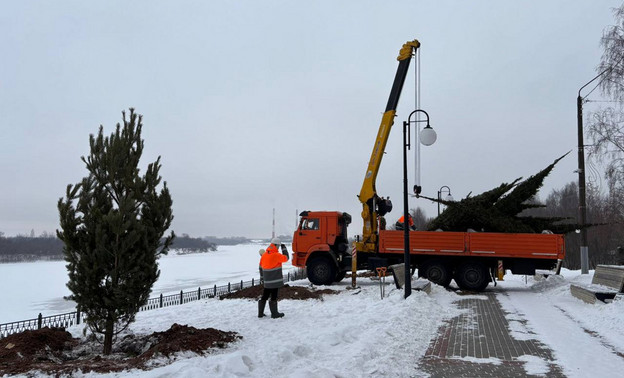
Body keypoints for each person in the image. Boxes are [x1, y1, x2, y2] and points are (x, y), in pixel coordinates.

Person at [258, 237, 289, 318]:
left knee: (265, 295)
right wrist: (284, 249)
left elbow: (260, 267)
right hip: (274, 280)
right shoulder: (277, 255)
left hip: (267, 281)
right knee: (274, 296)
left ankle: (260, 313)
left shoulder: (264, 255)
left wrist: (262, 278)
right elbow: (286, 258)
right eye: (278, 246)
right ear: (276, 245)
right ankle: (274, 314)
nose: (278, 248)